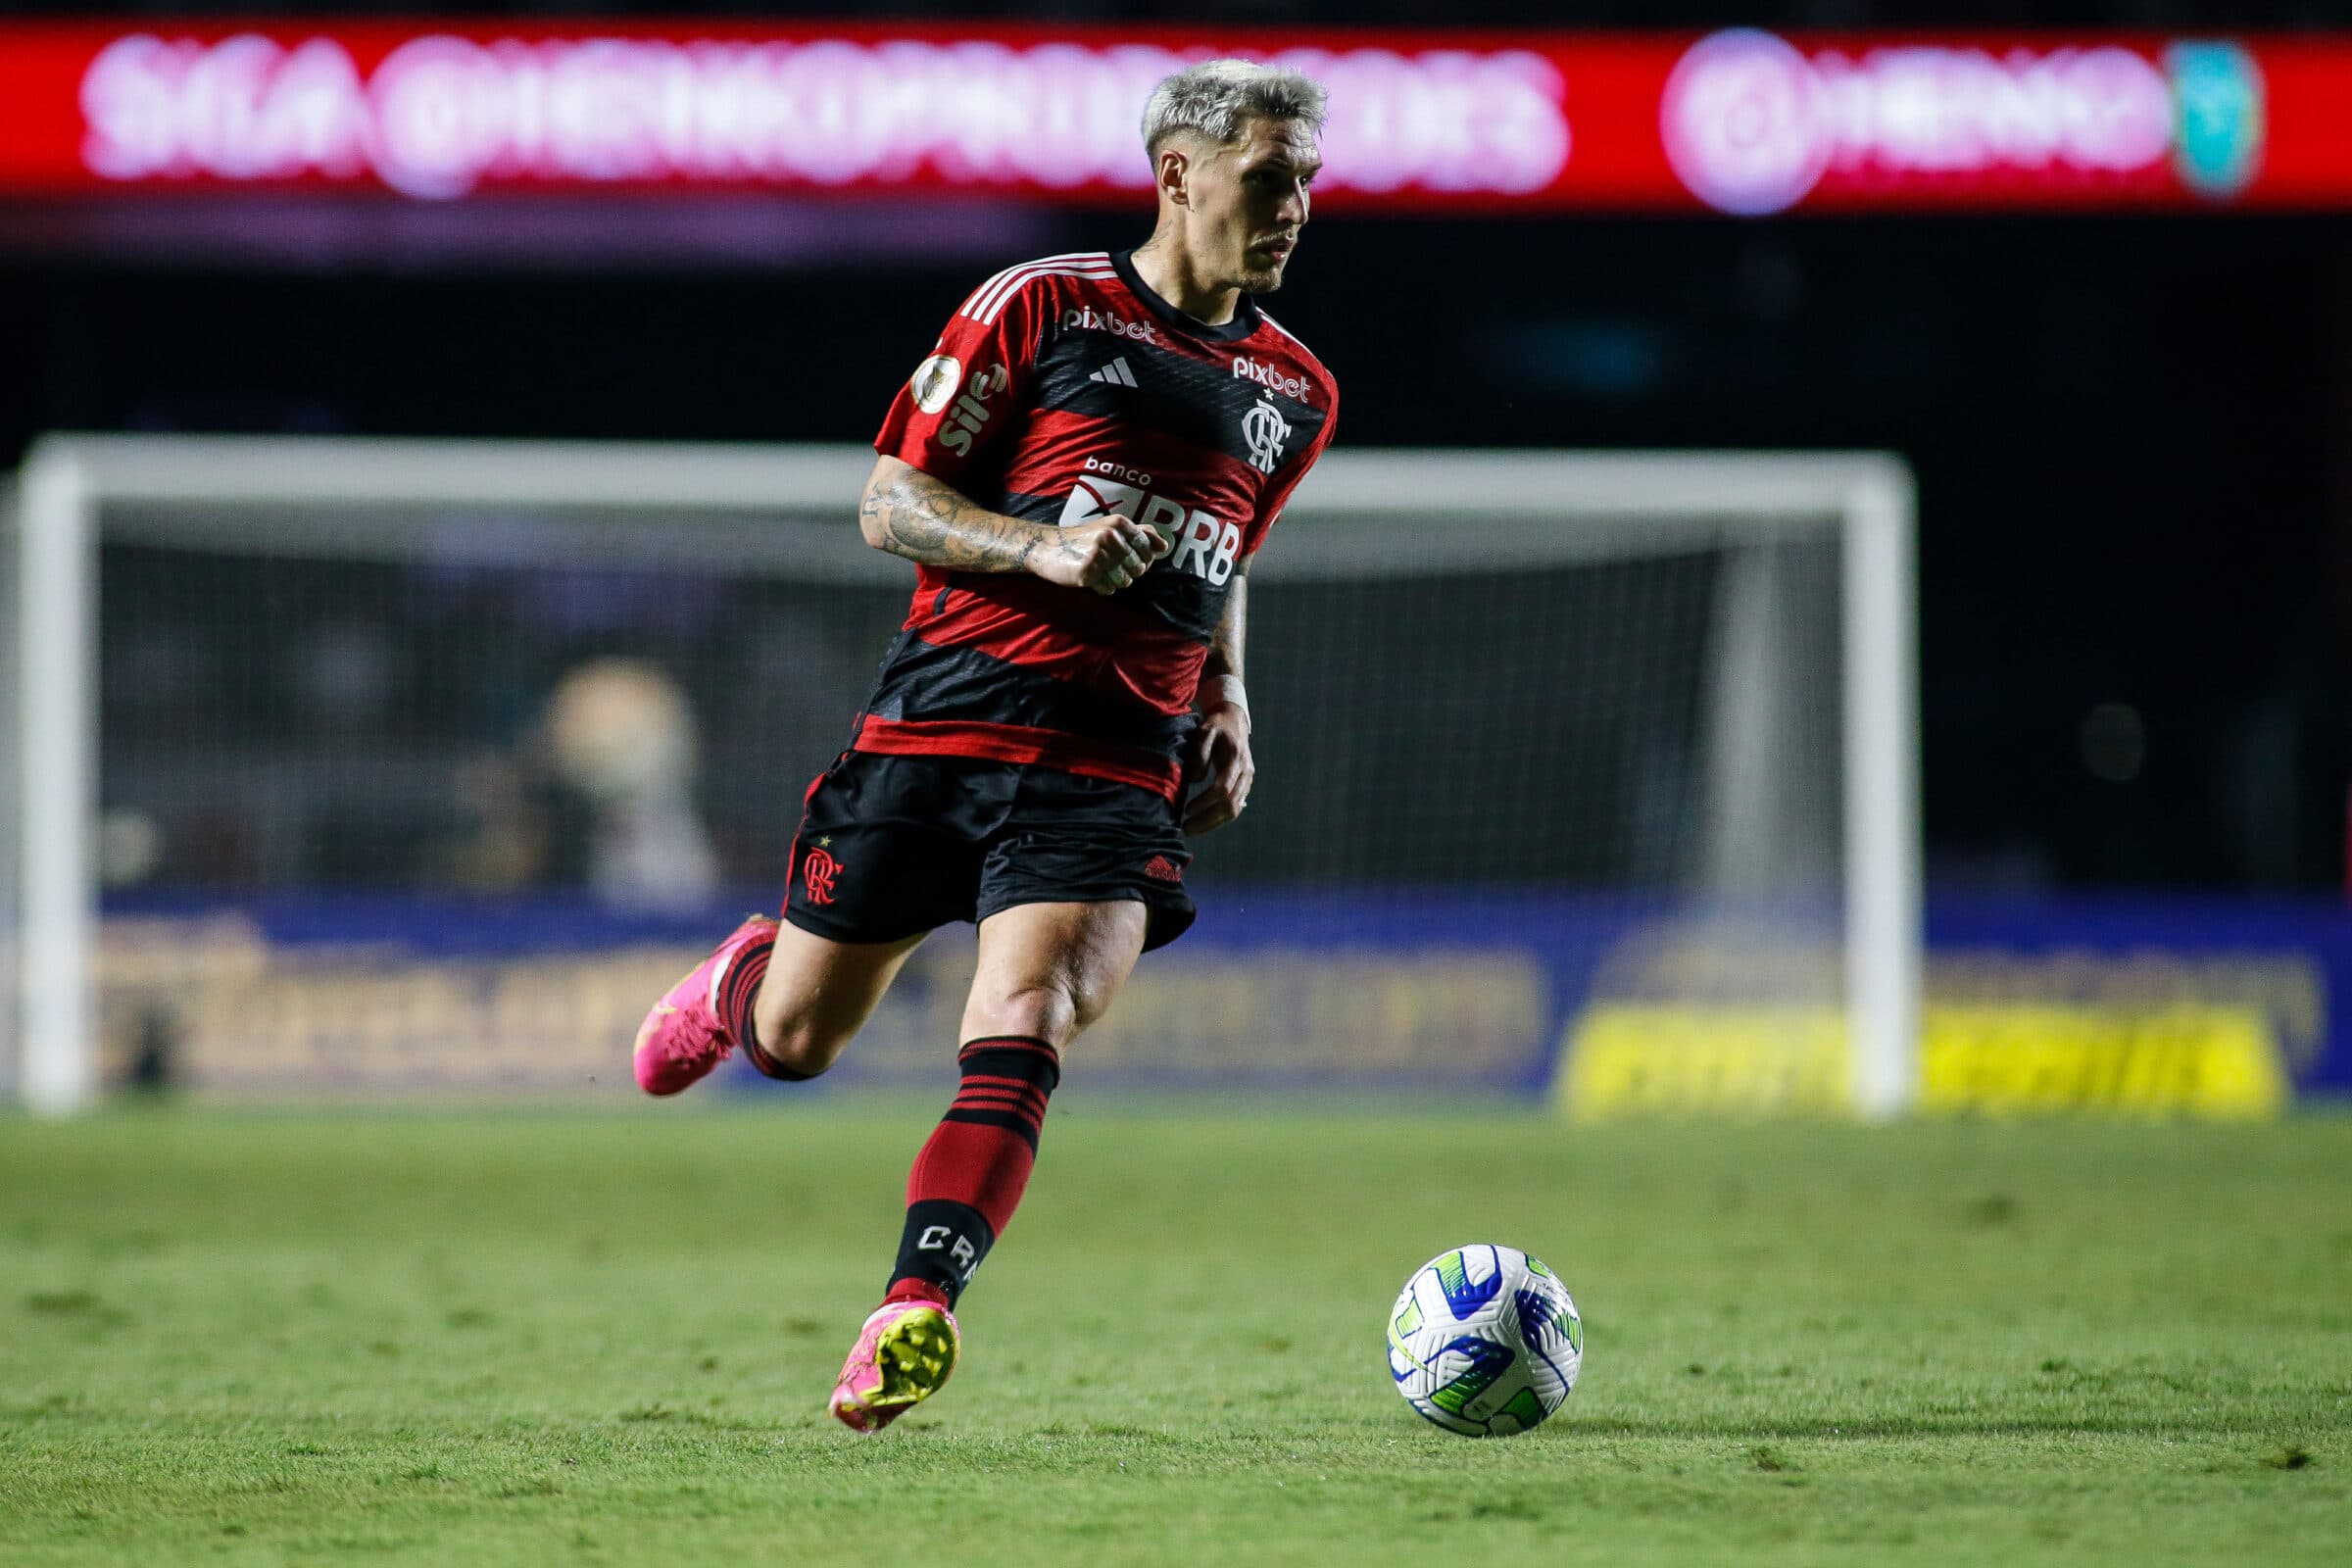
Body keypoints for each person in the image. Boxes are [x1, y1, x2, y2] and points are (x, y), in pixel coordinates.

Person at [631, 59, 1338, 1433]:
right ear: (1181, 173)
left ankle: (913, 1307)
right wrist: (1043, 549)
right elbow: (889, 503)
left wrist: (1230, 700)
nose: (1297, 205)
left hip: (1110, 764)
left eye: (1308, 178)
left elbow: (1228, 548)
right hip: (942, 726)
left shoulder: (1296, 390)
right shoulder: (1043, 306)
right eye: (1271, 174)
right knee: (796, 1042)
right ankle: (745, 980)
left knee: (1023, 1017)